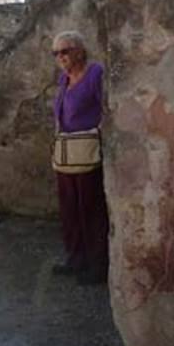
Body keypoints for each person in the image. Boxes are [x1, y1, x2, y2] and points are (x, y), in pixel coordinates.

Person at [51, 30, 109, 285]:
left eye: (65, 51)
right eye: (56, 53)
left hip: (86, 151)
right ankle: (76, 258)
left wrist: (99, 134)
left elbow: (107, 110)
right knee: (69, 208)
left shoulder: (95, 73)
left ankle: (97, 265)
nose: (60, 57)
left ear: (79, 51)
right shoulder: (64, 80)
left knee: (91, 208)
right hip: (67, 153)